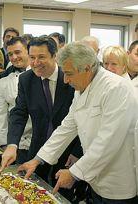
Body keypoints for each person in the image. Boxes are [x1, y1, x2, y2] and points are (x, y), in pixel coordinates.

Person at [18, 42, 138, 204]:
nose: (66, 80)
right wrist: (38, 159)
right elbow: (67, 127)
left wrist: (74, 173)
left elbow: (108, 141)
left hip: (117, 181)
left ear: (87, 68)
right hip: (95, 177)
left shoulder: (116, 88)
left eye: (69, 74)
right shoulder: (82, 88)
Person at [1, 36, 82, 201]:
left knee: (63, 197)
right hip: (38, 148)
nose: (36, 62)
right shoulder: (26, 79)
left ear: (55, 56)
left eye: (41, 57)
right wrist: (12, 144)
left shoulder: (70, 78)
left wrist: (77, 151)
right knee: (35, 194)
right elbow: (19, 113)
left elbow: (82, 118)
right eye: (32, 57)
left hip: (69, 152)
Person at [0, 37, 32, 163]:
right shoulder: (3, 77)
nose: (14, 57)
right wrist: (3, 143)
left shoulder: (40, 73)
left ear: (27, 51)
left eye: (17, 52)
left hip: (39, 139)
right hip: (15, 140)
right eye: (10, 54)